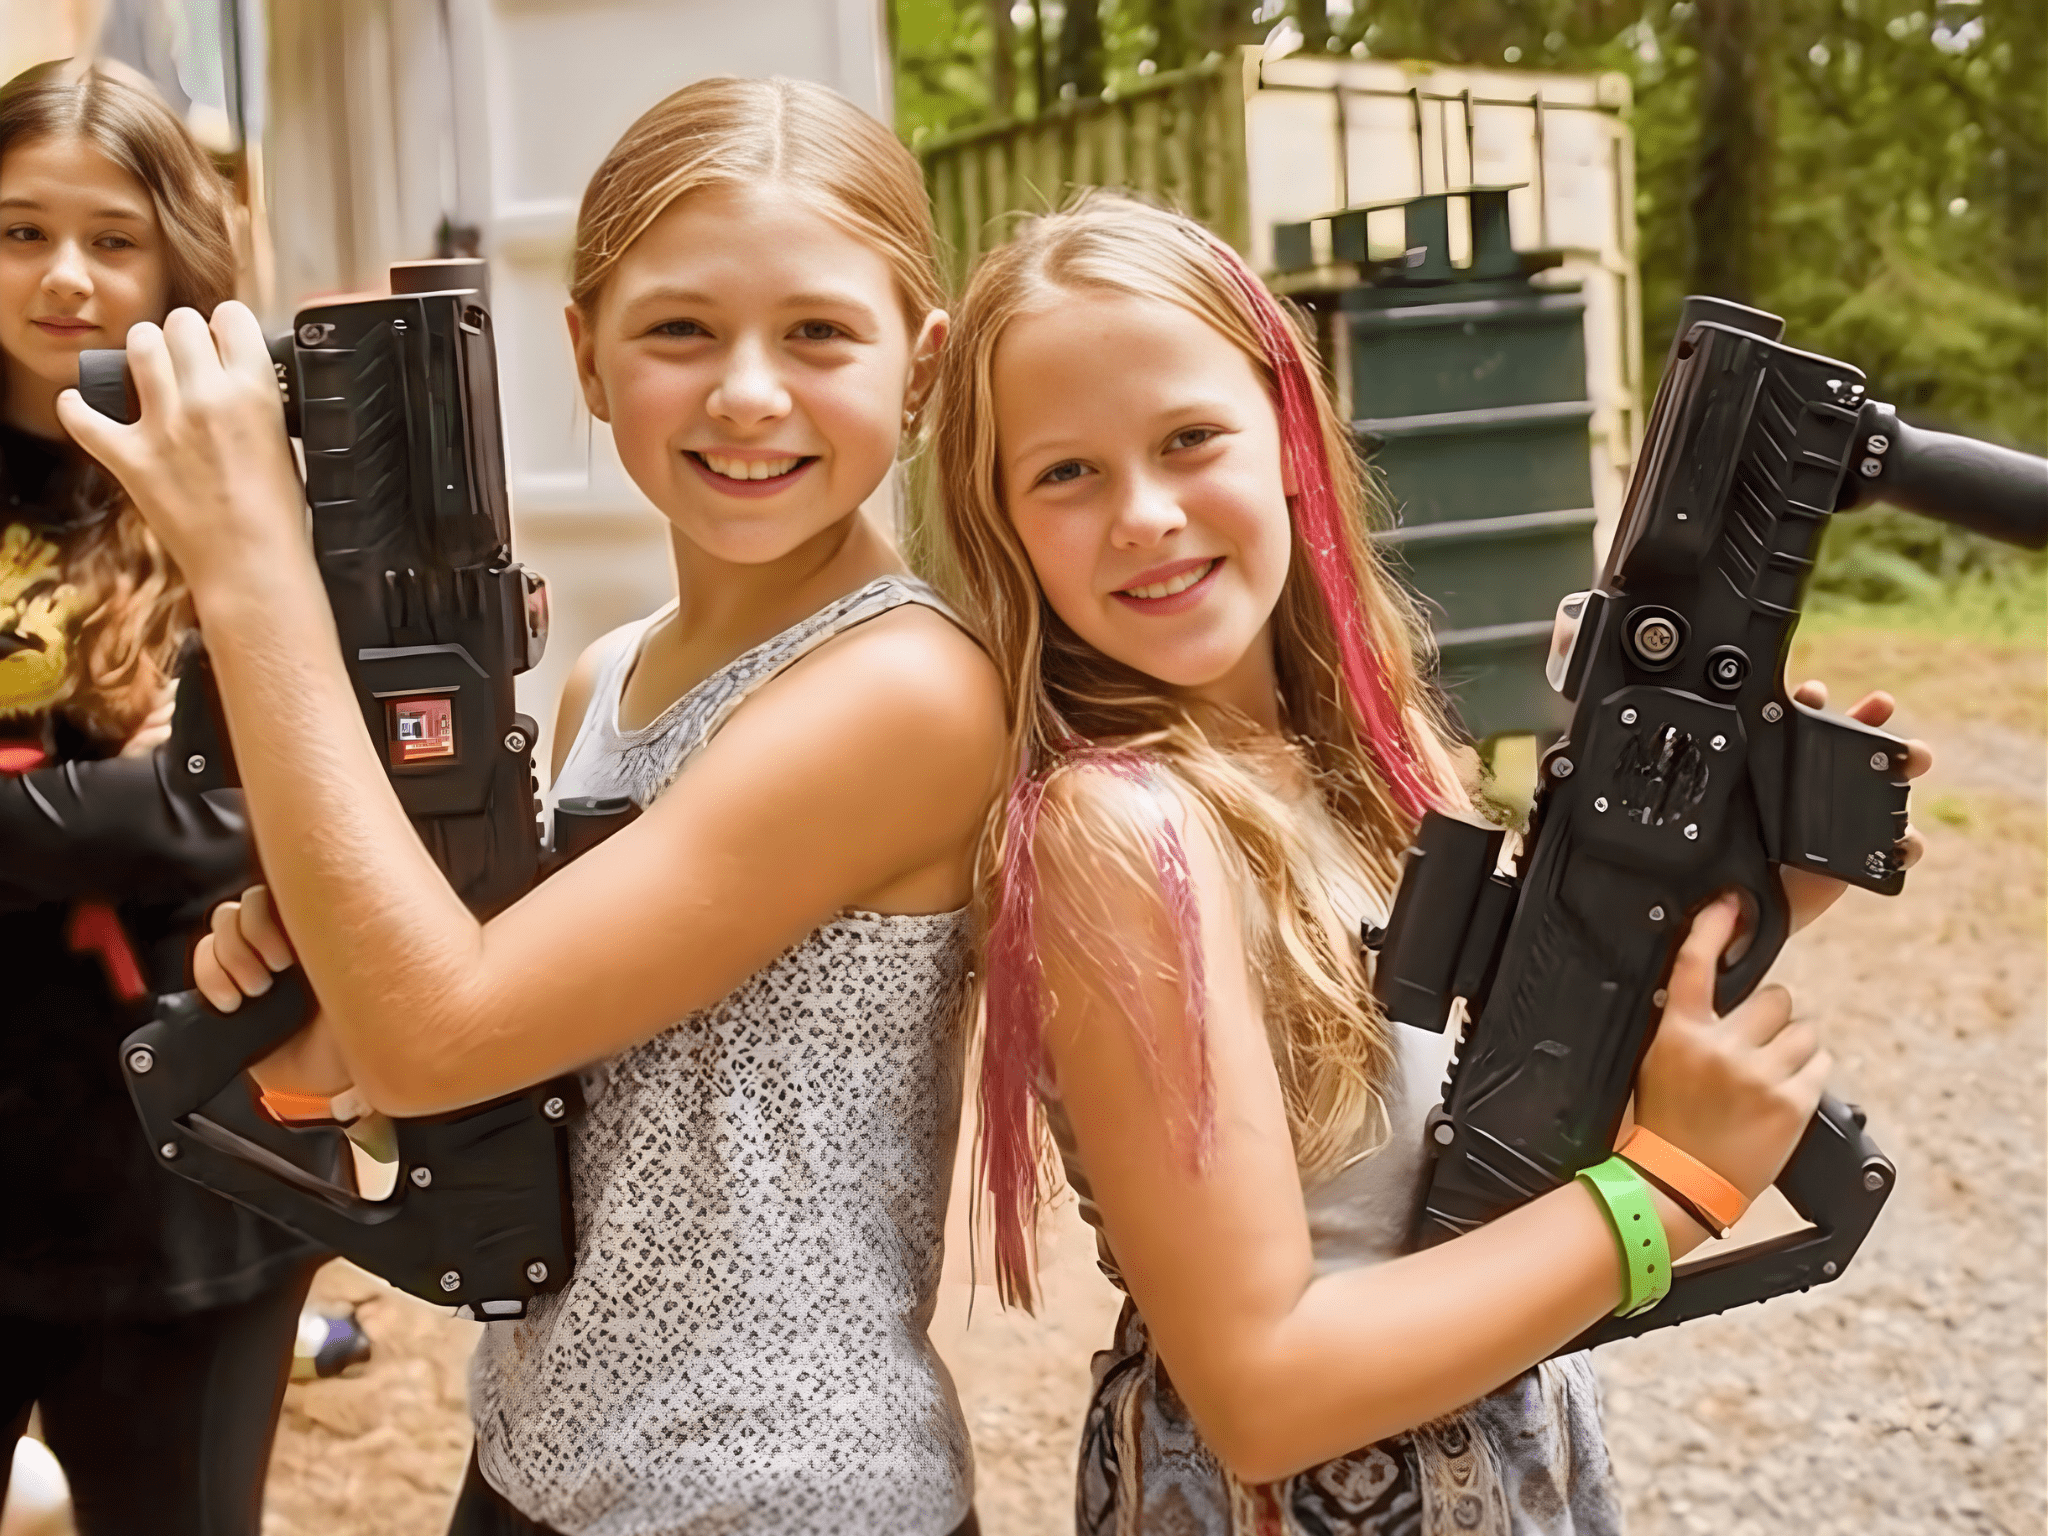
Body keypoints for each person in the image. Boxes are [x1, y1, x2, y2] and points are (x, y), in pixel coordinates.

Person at [63, 77, 1004, 1536]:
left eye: (819, 333)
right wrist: (333, 1015)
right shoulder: (607, 682)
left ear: (921, 367)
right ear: (585, 356)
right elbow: (478, 1089)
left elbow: (443, 1031)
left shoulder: (906, 691)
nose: (748, 392)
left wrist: (250, 564)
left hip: (774, 1495)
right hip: (536, 1467)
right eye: (679, 330)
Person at [926, 194, 1932, 1533]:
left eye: (1188, 439)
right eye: (1067, 474)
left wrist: (1724, 906)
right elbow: (1262, 1393)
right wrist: (1671, 1188)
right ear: (1002, 522)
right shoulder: (1120, 833)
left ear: (1289, 438)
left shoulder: (1373, 752)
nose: (1147, 514)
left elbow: (1498, 1139)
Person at [0, 60, 330, 1536]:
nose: (65, 275)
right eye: (21, 230)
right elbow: (164, 804)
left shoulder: (264, 471)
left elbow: (235, 810)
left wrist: (148, 803)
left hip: (186, 1165)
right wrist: (115, 801)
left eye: (111, 237)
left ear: (178, 256)